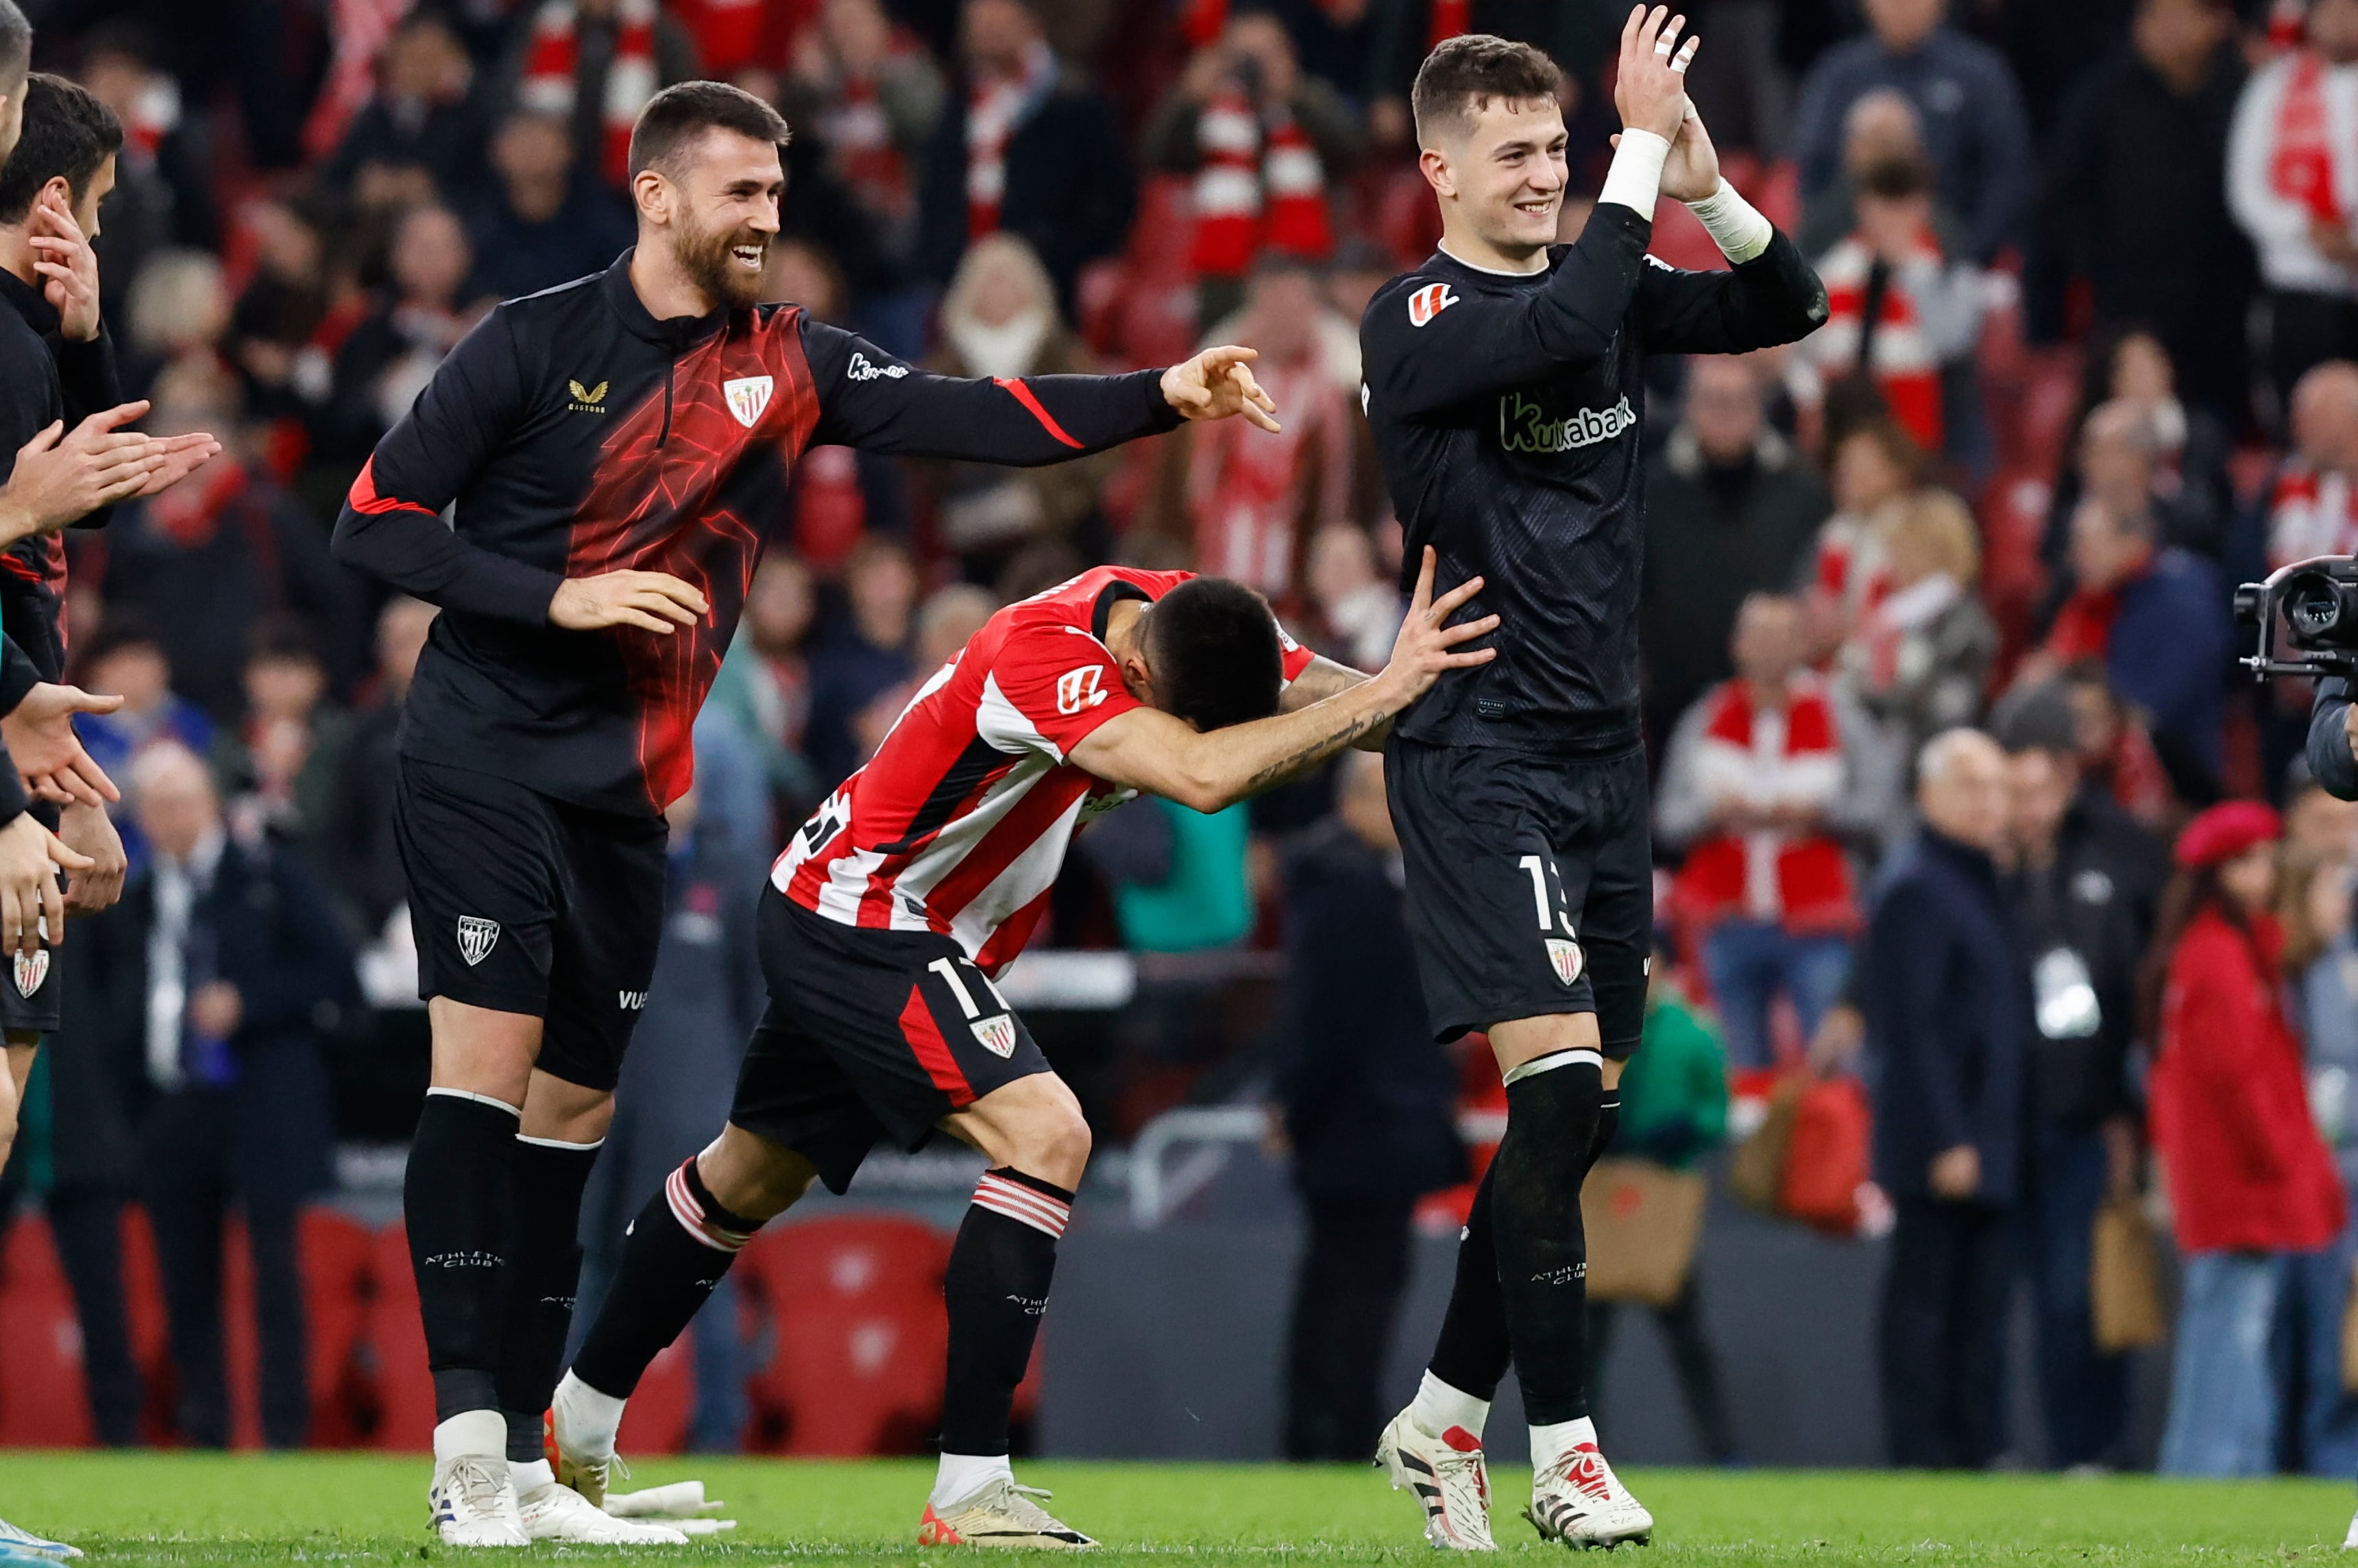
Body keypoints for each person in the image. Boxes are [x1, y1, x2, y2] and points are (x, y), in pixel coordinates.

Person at [326, 79, 1296, 1547]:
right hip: (479, 754)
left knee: (578, 1116)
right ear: (656, 195)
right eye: (740, 194)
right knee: (484, 1076)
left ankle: (529, 1462)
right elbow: (375, 518)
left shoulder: (788, 362)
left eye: (777, 196)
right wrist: (556, 594)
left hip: (630, 793)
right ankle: (465, 1453)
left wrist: (1159, 395)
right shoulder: (529, 340)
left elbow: (975, 417)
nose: (768, 220)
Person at [545, 556, 1493, 1545]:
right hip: (872, 914)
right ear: (1134, 666)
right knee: (1047, 1133)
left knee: (749, 1174)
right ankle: (970, 1490)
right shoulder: (1043, 657)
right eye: (1167, 713)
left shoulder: (1175, 608)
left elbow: (1316, 696)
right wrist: (1388, 693)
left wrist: (1434, 699)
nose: (1173, 732)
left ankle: (576, 1426)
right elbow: (1206, 776)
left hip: (859, 905)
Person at [1358, 17, 1825, 1552]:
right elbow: (1557, 331)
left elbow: (1789, 303)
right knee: (1551, 1086)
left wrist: (1697, 175)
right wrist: (1637, 157)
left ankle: (1439, 1417)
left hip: (1600, 759)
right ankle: (1560, 1451)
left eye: (1559, 147)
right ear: (1438, 169)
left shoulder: (1605, 287)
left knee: (1576, 1122)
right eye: (1517, 151)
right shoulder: (1414, 315)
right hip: (1473, 746)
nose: (1549, 171)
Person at [57, 741, 356, 1449]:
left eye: (183, 803)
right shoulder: (139, 893)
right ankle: (206, 1428)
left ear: (211, 805)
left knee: (276, 1275)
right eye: (156, 807)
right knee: (184, 1279)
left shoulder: (265, 872)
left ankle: (286, 1432)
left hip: (258, 1100)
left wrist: (247, 1001)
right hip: (172, 1105)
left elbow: (336, 971)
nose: (171, 819)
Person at [1989, 680, 2166, 1473]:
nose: (2029, 802)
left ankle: (2090, 1448)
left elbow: (2141, 995)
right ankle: (1985, 1448)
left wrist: (2128, 1115)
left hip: (2083, 1112)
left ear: (2068, 771)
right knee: (1995, 1295)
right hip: (1997, 1111)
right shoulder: (1978, 861)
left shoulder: (2121, 849)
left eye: (2041, 780)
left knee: (2077, 1288)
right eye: (2014, 783)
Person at [1274, 749, 1466, 1462]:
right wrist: (1298, 1103)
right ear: (1359, 802)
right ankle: (1332, 1431)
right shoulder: (1350, 887)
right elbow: (1331, 1015)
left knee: (1339, 1279)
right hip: (1364, 1121)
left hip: (1357, 1118)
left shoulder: (1351, 881)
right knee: (1355, 1286)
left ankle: (1321, 1428)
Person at [2143, 801, 2344, 1475]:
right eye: (2249, 859)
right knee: (2228, 1331)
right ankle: (2210, 1469)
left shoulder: (2221, 949)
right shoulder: (2217, 954)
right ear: (2216, 871)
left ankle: (2220, 1467)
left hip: (2231, 1178)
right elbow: (2236, 1078)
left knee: (2229, 1329)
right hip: (2239, 1180)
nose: (2263, 874)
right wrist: (2284, 1162)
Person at [1860, 728, 2027, 1470]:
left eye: (1997, 786)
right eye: (1971, 785)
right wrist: (1947, 1136)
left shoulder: (1987, 882)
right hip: (1944, 1139)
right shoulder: (1915, 885)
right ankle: (1921, 1446)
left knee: (1981, 1303)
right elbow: (1911, 1029)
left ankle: (1976, 1443)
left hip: (1991, 1131)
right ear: (1928, 795)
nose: (1990, 801)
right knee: (1927, 1298)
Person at [1657, 593, 1863, 1073]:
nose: (1772, 648)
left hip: (1817, 920)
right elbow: (1670, 817)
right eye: (1761, 636)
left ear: (1804, 645)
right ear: (1738, 645)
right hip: (1728, 919)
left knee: (1834, 1066)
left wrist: (1820, 817)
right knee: (1738, 1069)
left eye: (1784, 636)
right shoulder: (1705, 717)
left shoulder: (1841, 716)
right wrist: (1716, 814)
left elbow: (1881, 804)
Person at [2037, 0, 2250, 417]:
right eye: (2150, 15)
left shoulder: (2244, 93)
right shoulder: (2102, 94)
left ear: (2216, 23)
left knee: (2216, 424)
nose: (2159, 28)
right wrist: (2094, 261)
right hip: (2129, 303)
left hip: (2223, 306)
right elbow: (2060, 191)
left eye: (2175, 16)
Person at [1581, 944, 1733, 1465]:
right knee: (1589, 1341)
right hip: (1605, 1193)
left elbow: (1717, 1109)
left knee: (1688, 1339)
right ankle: (1583, 1453)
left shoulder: (1691, 1033)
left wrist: (1683, 1132)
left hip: (1663, 1199)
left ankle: (1722, 1452)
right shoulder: (1592, 1032)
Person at [1638, 354, 1828, 751]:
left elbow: (1818, 587)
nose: (1725, 413)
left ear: (1760, 408)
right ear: (1689, 406)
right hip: (1673, 698)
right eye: (1712, 400)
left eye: (1738, 401)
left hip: (1783, 704)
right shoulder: (1650, 493)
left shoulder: (1803, 493)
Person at [917, 0, 1134, 312]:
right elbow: (936, 197)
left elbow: (1111, 202)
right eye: (977, 13)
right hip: (958, 288)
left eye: (999, 11)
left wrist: (1052, 254)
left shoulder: (1075, 101)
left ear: (1031, 20)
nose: (987, 23)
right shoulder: (956, 105)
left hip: (1053, 288)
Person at [1788, 0, 2035, 267]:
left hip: (1957, 257)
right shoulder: (1837, 77)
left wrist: (1964, 255)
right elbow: (1811, 178)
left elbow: (2008, 177)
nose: (1901, 5)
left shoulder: (1981, 75)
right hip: (1846, 258)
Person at [2228, 0, 2358, 408]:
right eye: (2332, 9)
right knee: (2300, 412)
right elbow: (2246, 188)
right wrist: (2307, 230)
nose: (2342, 21)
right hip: (2297, 284)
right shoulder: (2273, 85)